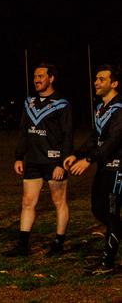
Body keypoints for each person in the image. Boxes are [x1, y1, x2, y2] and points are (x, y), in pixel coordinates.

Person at [6, 63, 72, 257]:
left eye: (41, 76)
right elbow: (24, 132)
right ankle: (22, 245)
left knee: (58, 202)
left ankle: (59, 244)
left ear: (51, 78)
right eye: (35, 76)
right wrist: (19, 156)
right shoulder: (29, 103)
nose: (36, 79)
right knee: (27, 202)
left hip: (54, 161)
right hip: (33, 160)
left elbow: (68, 135)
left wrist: (62, 162)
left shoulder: (62, 103)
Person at [64, 64, 122, 275]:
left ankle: (108, 263)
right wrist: (77, 154)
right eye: (96, 78)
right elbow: (95, 138)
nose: (96, 82)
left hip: (118, 169)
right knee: (98, 209)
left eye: (101, 79)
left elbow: (113, 141)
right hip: (104, 167)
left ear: (114, 83)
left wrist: (88, 160)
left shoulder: (120, 109)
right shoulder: (100, 108)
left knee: (112, 212)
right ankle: (114, 239)